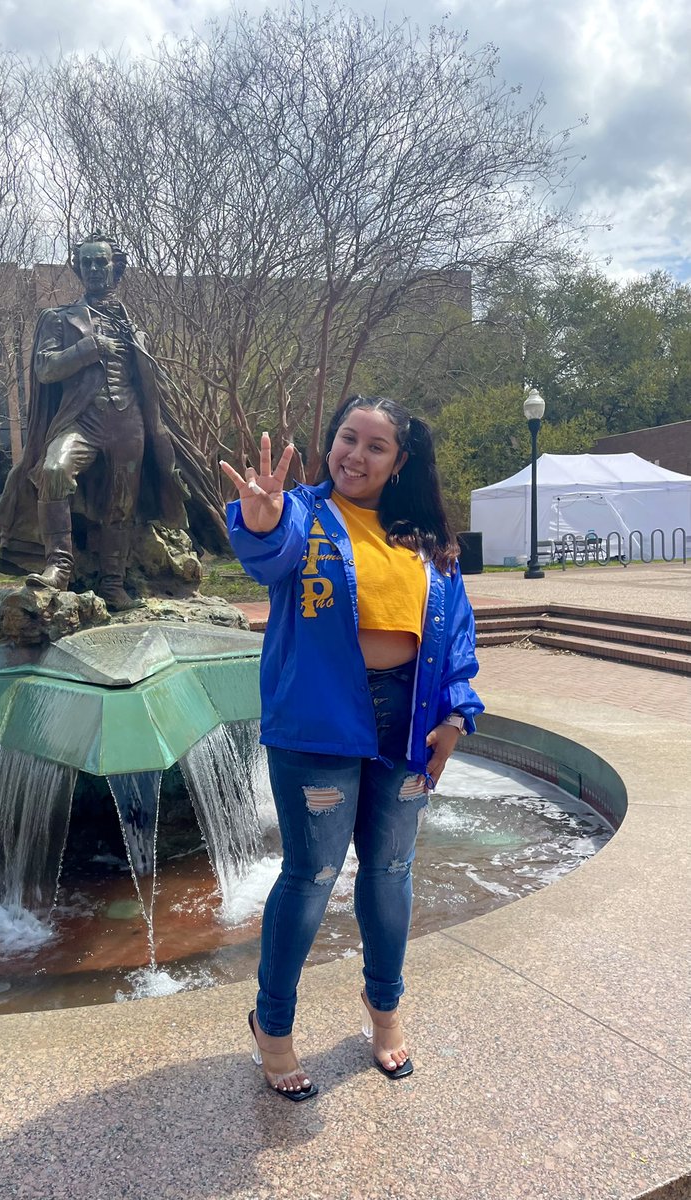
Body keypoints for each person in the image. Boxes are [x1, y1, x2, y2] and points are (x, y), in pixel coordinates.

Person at [221, 395, 483, 1100]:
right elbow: (263, 550)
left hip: (408, 720)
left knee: (390, 870)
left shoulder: (427, 542)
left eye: (375, 446)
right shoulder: (301, 514)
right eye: (347, 438)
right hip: (318, 723)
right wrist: (262, 513)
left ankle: (385, 1010)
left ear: (400, 462)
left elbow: (457, 639)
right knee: (310, 876)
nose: (355, 456)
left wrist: (457, 717)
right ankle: (272, 1026)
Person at [0, 233, 227, 607]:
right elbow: (45, 368)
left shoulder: (133, 327)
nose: (95, 269)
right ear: (78, 268)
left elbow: (148, 386)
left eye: (102, 262)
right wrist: (89, 348)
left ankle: (113, 584)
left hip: (128, 424)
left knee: (121, 504)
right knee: (53, 469)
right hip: (81, 420)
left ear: (116, 267)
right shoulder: (58, 319)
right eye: (87, 263)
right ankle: (59, 567)